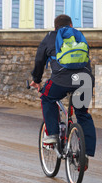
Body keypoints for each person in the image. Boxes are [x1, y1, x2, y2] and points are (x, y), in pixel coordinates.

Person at [30, 14, 96, 162]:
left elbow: (39, 59)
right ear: (71, 25)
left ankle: (52, 135)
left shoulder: (50, 37)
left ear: (55, 27)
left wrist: (36, 80)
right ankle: (86, 152)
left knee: (47, 98)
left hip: (61, 79)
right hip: (84, 80)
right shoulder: (79, 36)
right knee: (83, 114)